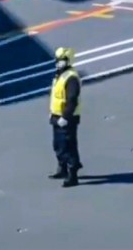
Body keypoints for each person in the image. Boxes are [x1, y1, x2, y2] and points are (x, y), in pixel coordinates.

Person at [48, 46, 82, 187]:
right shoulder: (60, 74)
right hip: (57, 116)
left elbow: (72, 99)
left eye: (61, 60)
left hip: (67, 118)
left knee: (68, 146)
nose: (58, 62)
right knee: (58, 144)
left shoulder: (71, 78)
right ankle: (62, 168)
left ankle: (72, 175)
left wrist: (66, 117)